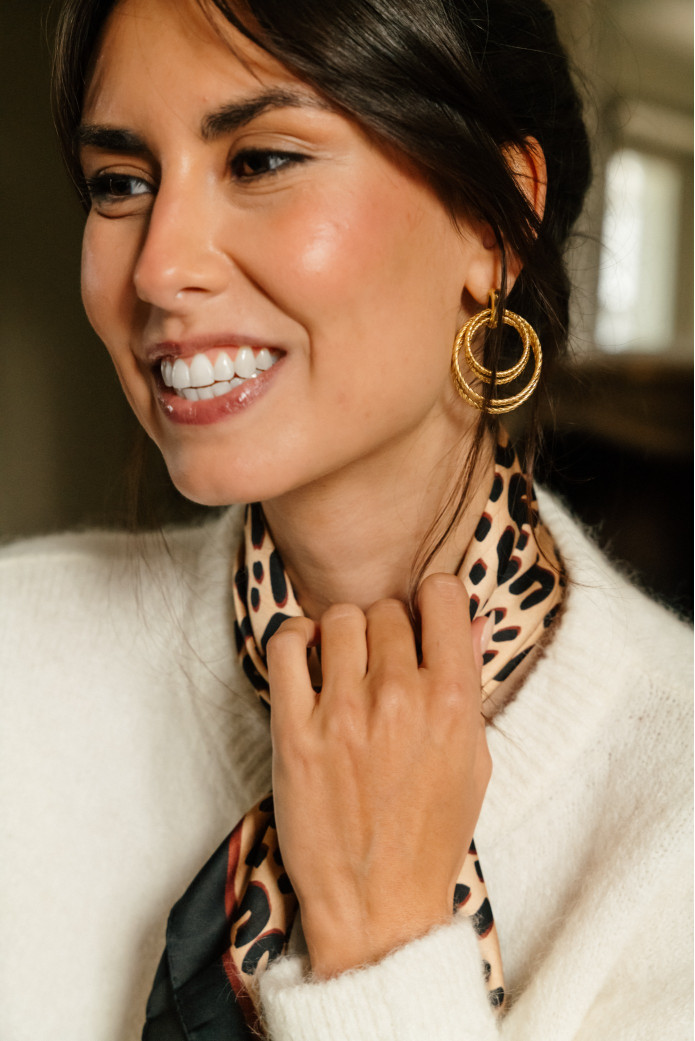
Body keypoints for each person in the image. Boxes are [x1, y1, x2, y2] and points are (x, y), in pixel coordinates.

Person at [0, 0, 691, 1038]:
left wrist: (382, 950)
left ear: (496, 218)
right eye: (121, 182)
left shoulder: (674, 822)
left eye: (260, 161)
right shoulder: (17, 656)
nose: (157, 268)